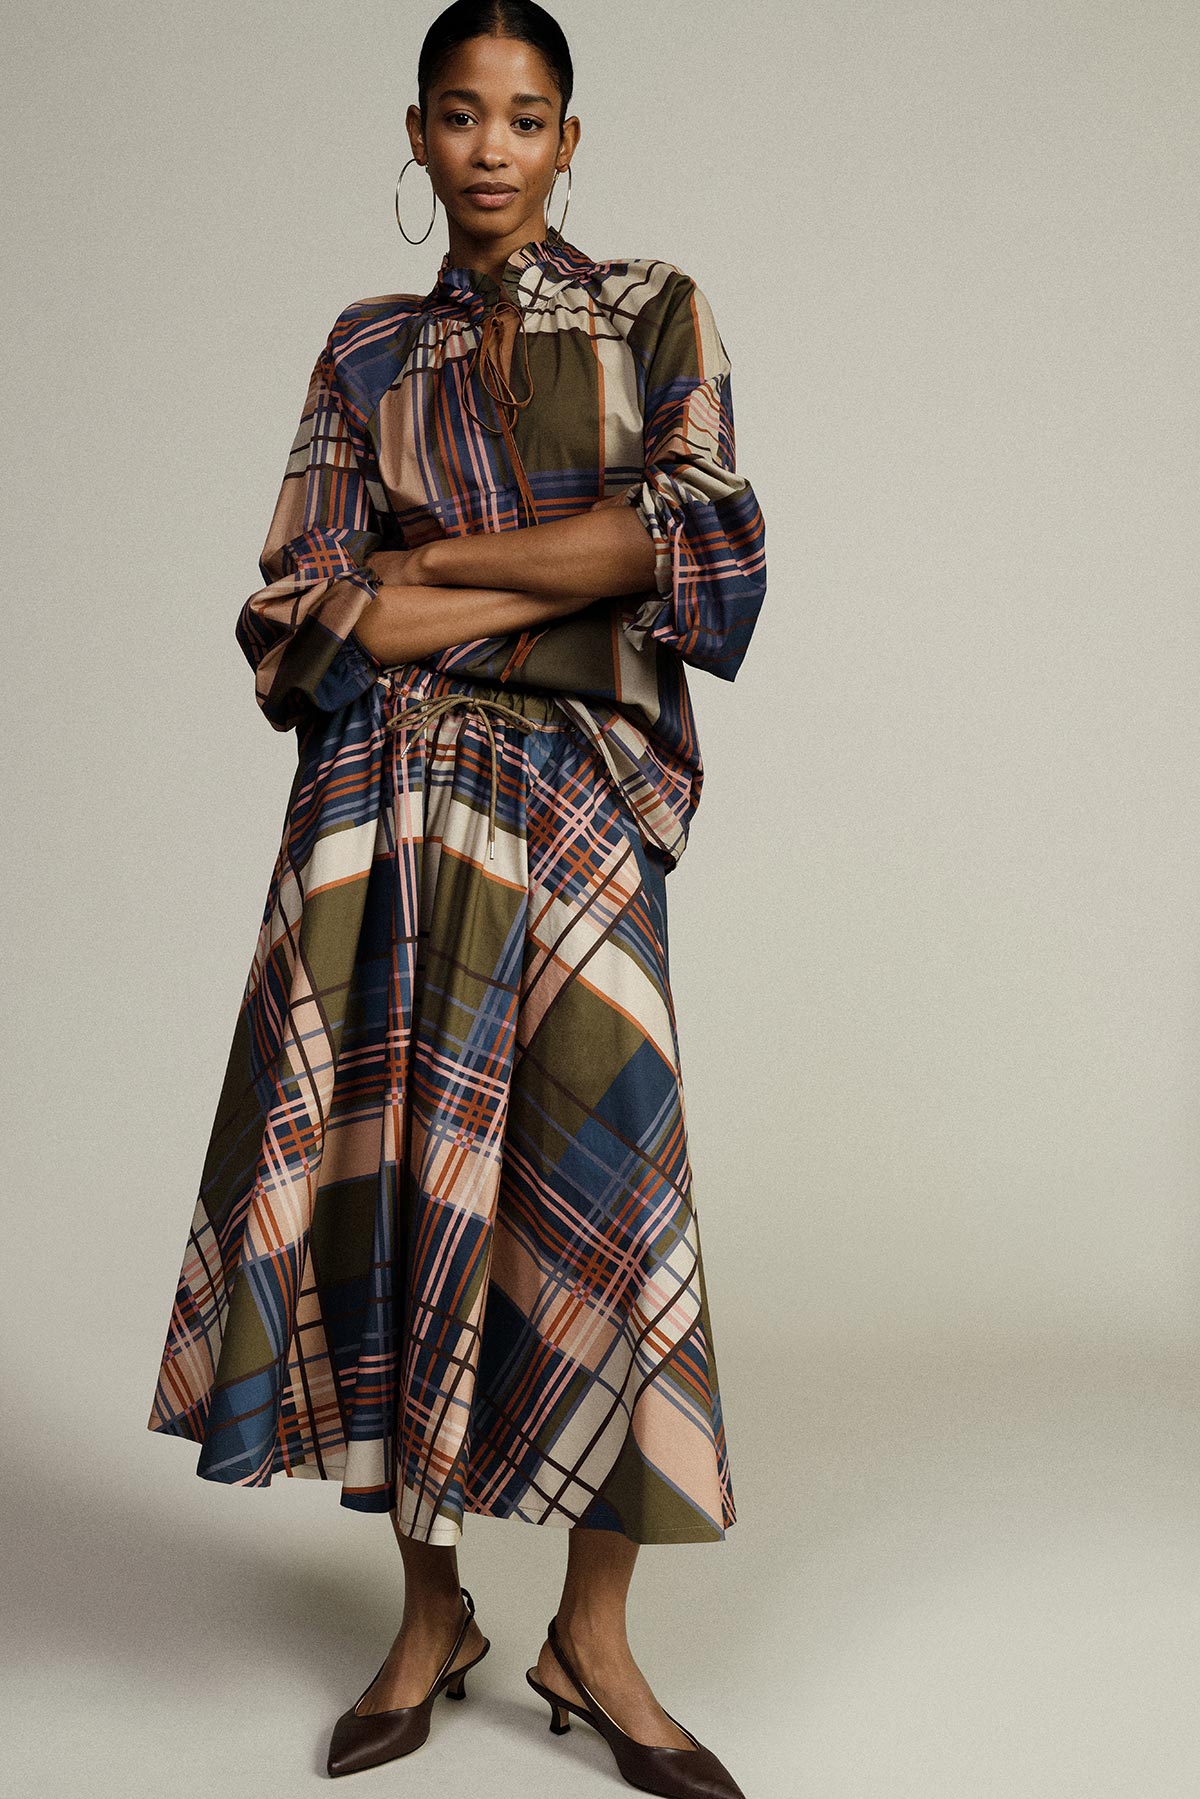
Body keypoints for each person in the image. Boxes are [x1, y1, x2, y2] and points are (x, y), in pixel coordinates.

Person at [146, 3, 766, 1793]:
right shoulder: (360, 354)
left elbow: (693, 544)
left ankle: (596, 1640)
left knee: (602, 1194)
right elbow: (301, 623)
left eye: (527, 116)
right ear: (415, 138)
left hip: (576, 802)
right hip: (385, 808)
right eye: (460, 117)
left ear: (572, 137)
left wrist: (440, 572)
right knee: (399, 1189)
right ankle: (432, 1618)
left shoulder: (654, 311)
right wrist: (524, 582)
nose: (492, 147)